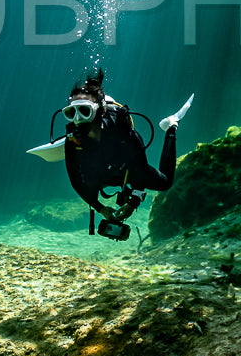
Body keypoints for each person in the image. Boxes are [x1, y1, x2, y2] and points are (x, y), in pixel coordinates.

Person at [60, 69, 177, 240]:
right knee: (89, 188)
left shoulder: (122, 132)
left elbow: (140, 171)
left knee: (165, 183)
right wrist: (100, 208)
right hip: (101, 174)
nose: (78, 120)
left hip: (124, 171)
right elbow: (75, 180)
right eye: (71, 113)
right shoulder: (73, 140)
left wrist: (133, 203)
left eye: (85, 111)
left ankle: (172, 126)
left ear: (99, 111)